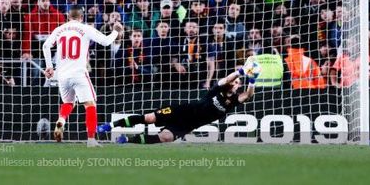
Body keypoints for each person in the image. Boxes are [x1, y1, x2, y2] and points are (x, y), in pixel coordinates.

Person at [98, 61, 259, 144]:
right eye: (236, 81)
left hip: (189, 125)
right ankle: (110, 125)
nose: (237, 83)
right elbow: (229, 77)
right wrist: (242, 71)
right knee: (148, 118)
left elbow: (248, 95)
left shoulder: (233, 101)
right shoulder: (218, 88)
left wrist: (252, 80)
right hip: (182, 110)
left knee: (165, 138)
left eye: (239, 83)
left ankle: (127, 140)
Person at [42, 4, 122, 147]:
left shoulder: (59, 29)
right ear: (82, 16)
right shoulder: (85, 28)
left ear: (68, 16)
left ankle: (61, 119)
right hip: (79, 73)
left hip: (62, 75)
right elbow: (105, 42)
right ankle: (91, 140)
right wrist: (116, 31)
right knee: (90, 105)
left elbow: (46, 46)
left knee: (68, 103)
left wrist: (49, 66)